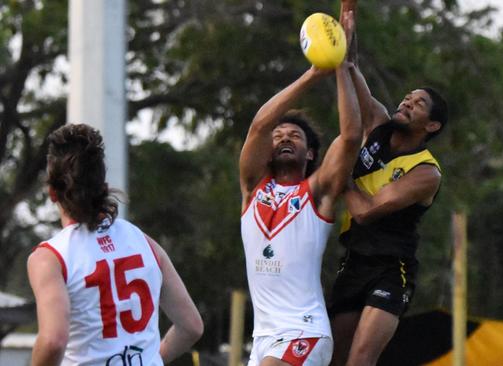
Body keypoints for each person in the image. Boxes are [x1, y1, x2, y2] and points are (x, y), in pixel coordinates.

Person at [239, 15, 361, 366]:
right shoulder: (252, 188)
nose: (283, 138)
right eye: (278, 137)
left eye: (294, 136)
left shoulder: (317, 191)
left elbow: (351, 136)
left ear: (310, 153)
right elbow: (260, 124)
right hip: (262, 338)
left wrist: (339, 65)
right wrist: (312, 73)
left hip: (303, 331)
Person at [28, 123, 203, 366]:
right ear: (103, 186)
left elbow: (53, 341)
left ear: (52, 192)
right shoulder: (144, 242)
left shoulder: (49, 258)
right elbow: (191, 326)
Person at [328, 12, 448, 366]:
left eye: (418, 103)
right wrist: (346, 23)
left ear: (432, 124)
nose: (407, 102)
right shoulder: (378, 122)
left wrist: (340, 179)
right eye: (407, 98)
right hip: (353, 262)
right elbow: (349, 67)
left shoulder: (426, 171)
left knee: (361, 359)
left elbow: (365, 212)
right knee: (332, 358)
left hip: (390, 269)